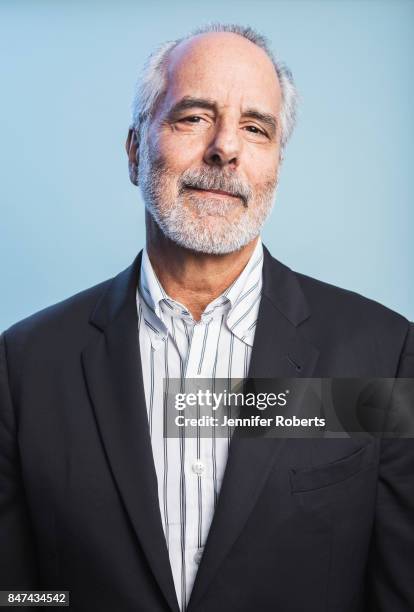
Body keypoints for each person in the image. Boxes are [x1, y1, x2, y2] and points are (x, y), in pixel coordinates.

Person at [1, 23, 413, 612]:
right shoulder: (23, 367)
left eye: (255, 127)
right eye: (193, 117)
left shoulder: (384, 353)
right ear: (135, 150)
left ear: (276, 164)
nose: (226, 148)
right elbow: (18, 594)